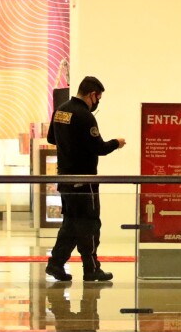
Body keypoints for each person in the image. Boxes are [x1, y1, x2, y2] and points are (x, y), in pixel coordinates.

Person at [46, 75, 123, 284]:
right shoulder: (85, 116)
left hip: (65, 179)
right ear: (92, 94)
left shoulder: (60, 110)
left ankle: (56, 263)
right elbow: (100, 148)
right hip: (84, 181)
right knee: (90, 224)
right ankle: (91, 269)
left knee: (71, 223)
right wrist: (117, 142)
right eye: (98, 97)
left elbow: (51, 138)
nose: (97, 102)